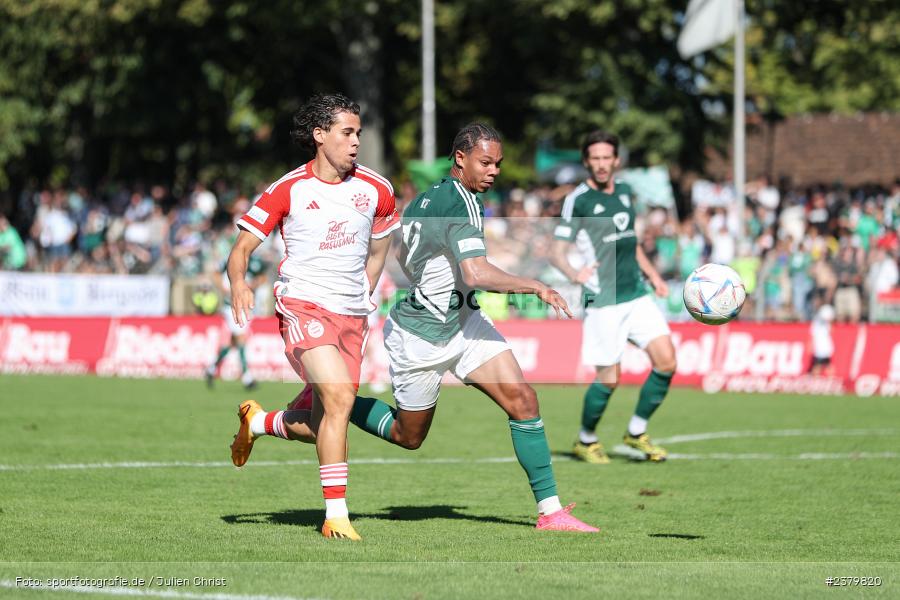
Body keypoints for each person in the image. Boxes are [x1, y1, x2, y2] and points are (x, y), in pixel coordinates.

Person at [237, 123, 598, 533]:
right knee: (407, 436)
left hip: (465, 322)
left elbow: (407, 257)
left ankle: (551, 513)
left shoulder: (435, 198)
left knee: (523, 401)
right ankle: (316, 408)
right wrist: (535, 285)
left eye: (498, 163)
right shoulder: (455, 203)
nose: (494, 171)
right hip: (421, 336)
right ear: (460, 159)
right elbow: (476, 273)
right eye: (486, 162)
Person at [226, 93, 399, 541]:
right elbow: (242, 248)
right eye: (347, 133)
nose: (356, 141)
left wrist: (367, 286)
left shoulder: (377, 189)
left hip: (352, 315)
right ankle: (336, 516)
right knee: (340, 400)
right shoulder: (289, 188)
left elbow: (381, 245)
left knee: (324, 421)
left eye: (358, 133)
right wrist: (240, 283)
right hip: (302, 305)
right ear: (320, 136)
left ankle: (259, 422)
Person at [549, 130, 677, 464]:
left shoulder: (624, 191)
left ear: (616, 160)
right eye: (596, 158)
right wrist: (572, 273)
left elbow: (630, 241)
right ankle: (585, 439)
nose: (602, 164)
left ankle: (636, 432)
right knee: (610, 379)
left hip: (636, 293)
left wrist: (653, 276)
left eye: (608, 158)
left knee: (667, 362)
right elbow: (556, 251)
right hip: (602, 298)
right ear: (586, 162)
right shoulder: (579, 200)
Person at [204, 232, 268, 390]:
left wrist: (253, 285)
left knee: (233, 342)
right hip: (231, 304)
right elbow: (215, 274)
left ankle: (211, 369)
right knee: (241, 338)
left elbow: (263, 277)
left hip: (247, 304)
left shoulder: (256, 261)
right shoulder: (231, 258)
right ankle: (247, 377)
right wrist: (225, 289)